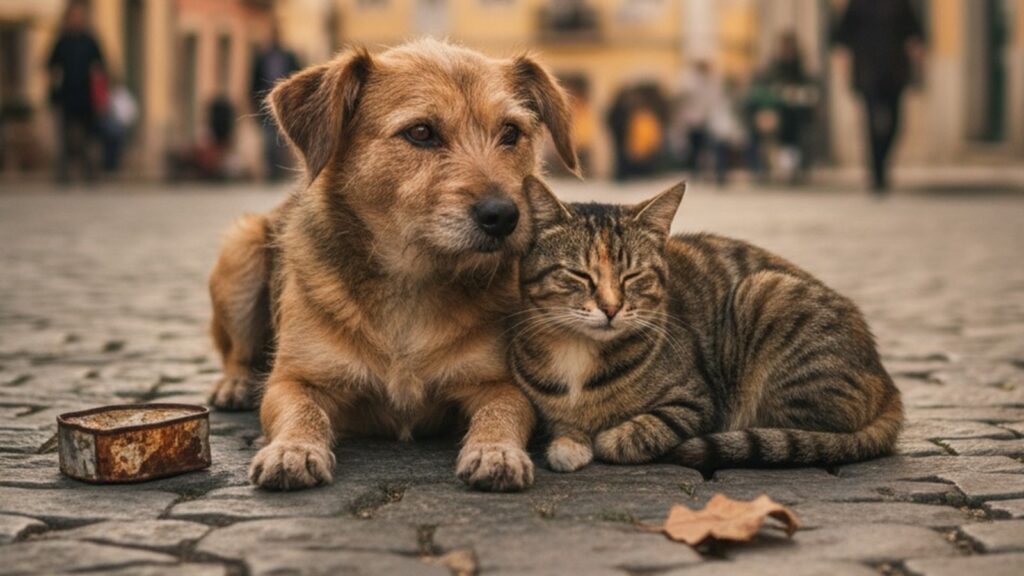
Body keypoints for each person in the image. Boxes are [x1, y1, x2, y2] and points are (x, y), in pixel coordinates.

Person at [835, 0, 924, 193]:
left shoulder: (900, 4)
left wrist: (916, 49)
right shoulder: (858, 4)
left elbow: (915, 30)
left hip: (895, 71)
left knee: (895, 124)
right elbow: (841, 34)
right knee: (872, 124)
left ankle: (882, 163)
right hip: (868, 72)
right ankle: (876, 173)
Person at [47, 1, 105, 184]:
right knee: (65, 137)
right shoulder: (62, 41)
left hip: (87, 98)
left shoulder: (90, 41)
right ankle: (64, 174)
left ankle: (90, 173)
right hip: (66, 96)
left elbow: (102, 66)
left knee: (88, 137)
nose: (77, 19)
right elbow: (50, 65)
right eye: (74, 15)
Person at [250, 26, 300, 182]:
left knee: (284, 142)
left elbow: (297, 77)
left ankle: (282, 173)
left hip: (287, 106)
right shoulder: (261, 57)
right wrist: (253, 104)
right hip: (265, 107)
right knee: (268, 142)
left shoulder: (288, 56)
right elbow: (253, 82)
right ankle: (271, 174)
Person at [680, 60, 721, 179]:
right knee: (694, 149)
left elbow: (713, 101)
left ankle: (702, 171)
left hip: (705, 121)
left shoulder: (711, 83)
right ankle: (694, 171)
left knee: (704, 149)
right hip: (693, 121)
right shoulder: (689, 82)